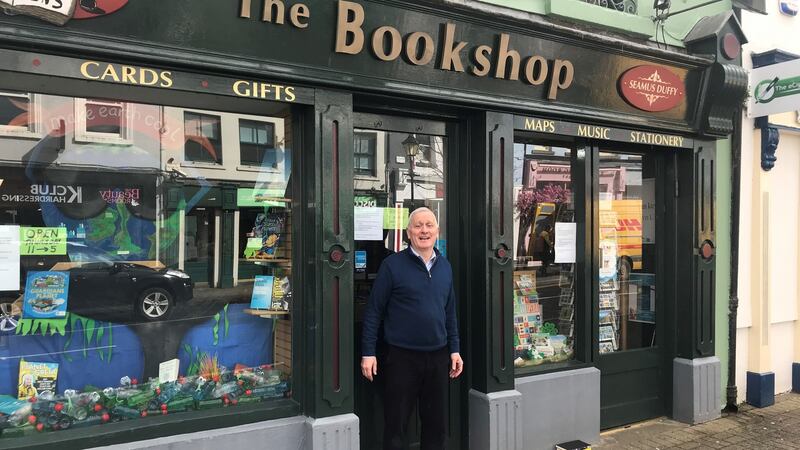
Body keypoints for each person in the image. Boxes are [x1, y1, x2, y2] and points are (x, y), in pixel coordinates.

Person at [361, 207, 463, 450]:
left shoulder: (445, 267)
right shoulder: (392, 266)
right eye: (418, 226)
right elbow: (374, 311)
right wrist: (368, 352)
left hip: (438, 358)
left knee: (435, 426)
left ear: (437, 231)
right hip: (401, 357)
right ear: (408, 233)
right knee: (396, 425)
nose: (424, 230)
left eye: (429, 225)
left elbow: (449, 312)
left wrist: (455, 349)